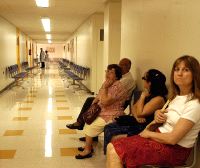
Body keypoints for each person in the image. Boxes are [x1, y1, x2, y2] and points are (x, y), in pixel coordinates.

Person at [107, 55, 200, 168]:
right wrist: (157, 115)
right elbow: (162, 119)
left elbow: (172, 139)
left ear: (195, 74)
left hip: (174, 150)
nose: (179, 73)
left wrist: (148, 134)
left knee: (114, 151)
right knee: (112, 145)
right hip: (159, 137)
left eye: (186, 70)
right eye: (177, 69)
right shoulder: (174, 97)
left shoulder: (194, 104)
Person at [103, 69, 168, 154]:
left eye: (144, 78)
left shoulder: (158, 99)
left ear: (149, 83)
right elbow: (134, 107)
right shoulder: (149, 93)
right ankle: (109, 155)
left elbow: (140, 112)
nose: (143, 80)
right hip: (136, 122)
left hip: (144, 128)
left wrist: (142, 96)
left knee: (113, 134)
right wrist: (137, 117)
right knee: (108, 127)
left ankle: (115, 155)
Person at [66, 58, 136, 134]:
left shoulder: (127, 79)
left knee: (92, 102)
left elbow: (113, 90)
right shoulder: (122, 77)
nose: (119, 66)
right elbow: (106, 88)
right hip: (111, 98)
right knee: (92, 100)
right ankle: (84, 125)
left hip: (118, 103)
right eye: (119, 64)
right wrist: (100, 95)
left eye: (122, 65)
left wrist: (102, 94)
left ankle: (81, 124)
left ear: (128, 67)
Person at [75, 64, 127, 159]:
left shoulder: (118, 86)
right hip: (103, 111)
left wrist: (106, 89)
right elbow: (99, 94)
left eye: (111, 72)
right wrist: (94, 102)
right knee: (88, 120)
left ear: (116, 76)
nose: (107, 74)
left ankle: (87, 151)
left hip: (112, 114)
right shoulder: (107, 82)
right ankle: (88, 146)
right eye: (107, 71)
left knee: (91, 125)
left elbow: (106, 102)